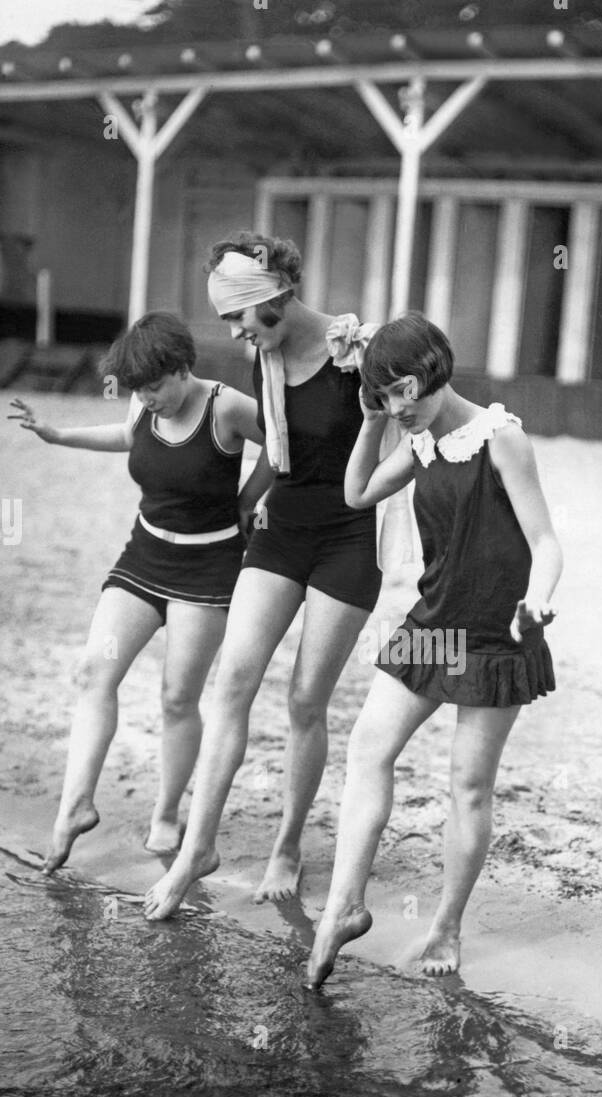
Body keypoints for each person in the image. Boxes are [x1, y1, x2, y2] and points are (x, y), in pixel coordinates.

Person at [144, 232, 402, 919]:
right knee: (231, 684)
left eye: (236, 316)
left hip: (347, 538)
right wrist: (238, 504)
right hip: (281, 530)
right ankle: (198, 848)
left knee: (304, 703)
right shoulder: (265, 351)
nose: (231, 332)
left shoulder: (361, 350)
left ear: (274, 298)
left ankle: (288, 844)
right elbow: (279, 453)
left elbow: (427, 408)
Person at [306, 311, 563, 988]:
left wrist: (537, 601)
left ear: (431, 374)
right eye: (385, 396)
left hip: (496, 638)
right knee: (368, 748)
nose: (398, 407)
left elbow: (546, 542)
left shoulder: (502, 438)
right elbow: (356, 493)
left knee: (468, 786)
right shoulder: (417, 442)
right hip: (437, 629)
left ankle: (446, 924)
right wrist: (370, 421)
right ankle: (343, 908)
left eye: (402, 392)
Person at [8, 312, 269, 871]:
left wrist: (250, 499)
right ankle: (73, 809)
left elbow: (281, 443)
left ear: (181, 369)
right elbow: (128, 436)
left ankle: (168, 812)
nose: (146, 399)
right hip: (143, 557)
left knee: (178, 697)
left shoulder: (226, 405)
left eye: (154, 388)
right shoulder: (143, 404)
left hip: (207, 568)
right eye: (136, 391)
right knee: (93, 672)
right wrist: (58, 434)